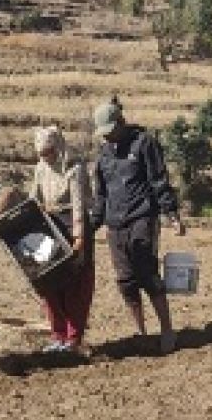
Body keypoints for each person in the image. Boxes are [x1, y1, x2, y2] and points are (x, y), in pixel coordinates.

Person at [89, 98, 185, 354]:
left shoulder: (144, 143)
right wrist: (90, 227)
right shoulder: (104, 155)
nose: (107, 137)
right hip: (115, 225)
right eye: (104, 133)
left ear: (121, 122)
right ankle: (140, 332)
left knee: (148, 274)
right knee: (126, 281)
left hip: (142, 218)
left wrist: (172, 214)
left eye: (111, 131)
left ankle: (166, 330)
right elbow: (101, 196)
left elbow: (158, 180)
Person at [28, 125, 95, 356]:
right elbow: (33, 198)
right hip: (50, 226)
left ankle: (73, 338)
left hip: (73, 226)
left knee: (75, 285)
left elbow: (78, 204)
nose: (45, 157)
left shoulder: (74, 169)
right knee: (50, 284)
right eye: (41, 153)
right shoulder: (40, 169)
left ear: (58, 147)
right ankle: (58, 335)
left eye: (49, 152)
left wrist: (79, 237)